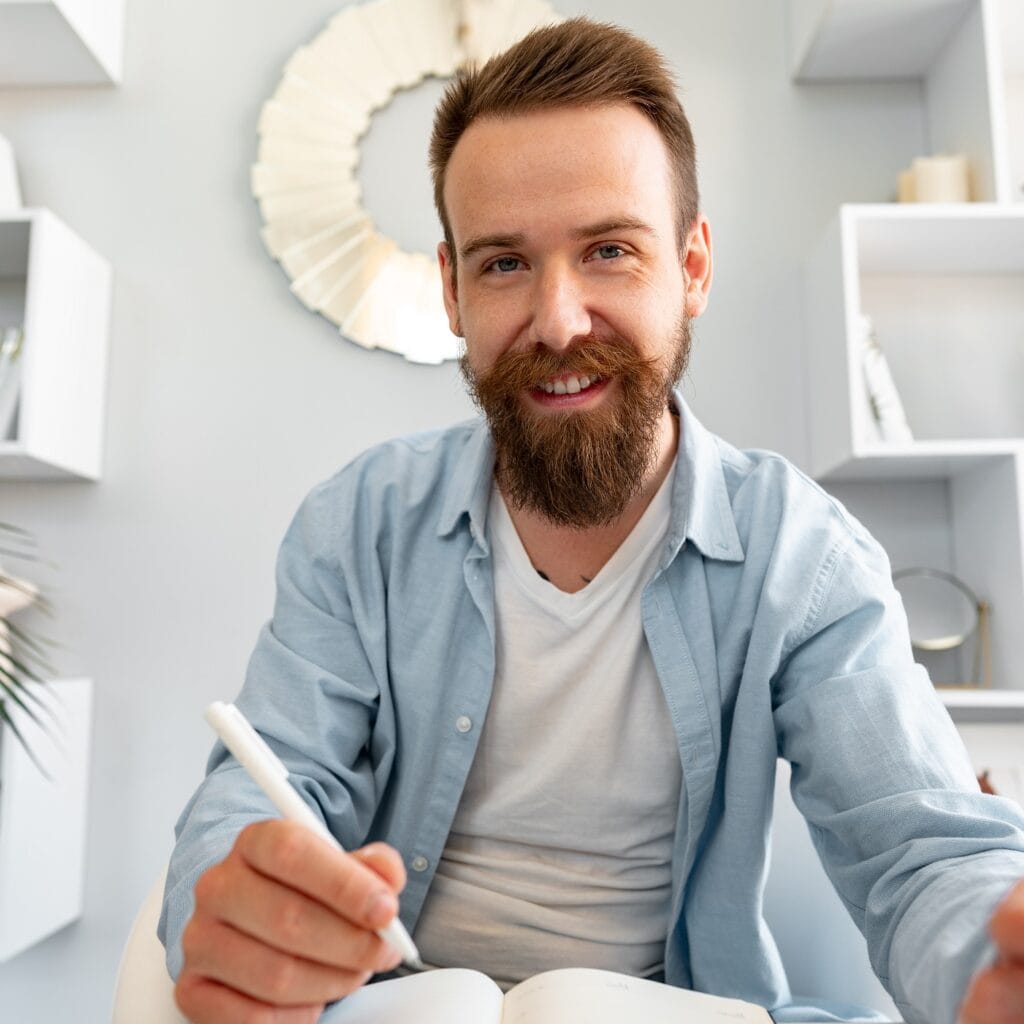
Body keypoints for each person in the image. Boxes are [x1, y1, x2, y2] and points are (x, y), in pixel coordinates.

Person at [159, 17, 1024, 1024]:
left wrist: (988, 965)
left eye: (608, 250)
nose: (559, 320)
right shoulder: (356, 525)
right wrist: (227, 901)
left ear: (691, 267)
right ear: (451, 289)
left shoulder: (805, 555)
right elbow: (264, 788)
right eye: (502, 264)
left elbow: (918, 849)